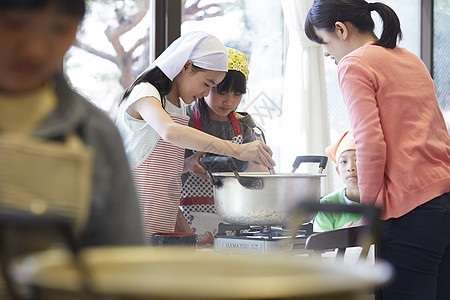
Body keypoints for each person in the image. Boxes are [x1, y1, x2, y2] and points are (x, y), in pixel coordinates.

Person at [305, 1, 450, 299]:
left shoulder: (354, 64)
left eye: (324, 42)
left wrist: (368, 213)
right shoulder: (410, 58)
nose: (327, 54)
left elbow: (369, 144)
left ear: (341, 30)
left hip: (411, 213)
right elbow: (438, 131)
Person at [0, 0, 145, 247]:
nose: (34, 49)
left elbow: (121, 257)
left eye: (59, 29)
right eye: (15, 24)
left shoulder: (95, 133)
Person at [115, 32, 275, 243]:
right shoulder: (145, 93)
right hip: (128, 218)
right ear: (186, 66)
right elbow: (170, 131)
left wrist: (188, 235)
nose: (205, 92)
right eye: (207, 84)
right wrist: (237, 150)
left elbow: (165, 181)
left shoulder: (178, 107)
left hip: (160, 224)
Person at [179, 47, 267, 246]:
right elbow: (165, 173)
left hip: (236, 219)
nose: (229, 101)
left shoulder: (246, 127)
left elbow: (260, 178)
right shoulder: (184, 121)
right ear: (208, 85)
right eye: (221, 91)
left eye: (237, 94)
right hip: (187, 221)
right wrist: (188, 165)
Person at [313, 131, 361, 232]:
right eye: (343, 162)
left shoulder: (384, 201)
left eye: (357, 159)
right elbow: (320, 246)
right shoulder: (326, 206)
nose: (351, 167)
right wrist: (341, 238)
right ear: (338, 171)